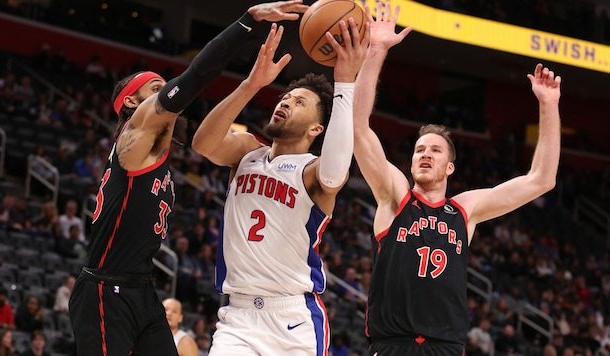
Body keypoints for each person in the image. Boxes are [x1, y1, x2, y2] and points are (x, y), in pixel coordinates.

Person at [67, 2, 310, 355]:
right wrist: (247, 21)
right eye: (155, 89)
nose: (165, 92)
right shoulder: (135, 135)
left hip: (141, 289)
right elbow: (196, 75)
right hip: (106, 290)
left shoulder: (158, 154)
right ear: (132, 103)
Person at [352, 3, 561, 355]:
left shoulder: (465, 210)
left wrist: (549, 105)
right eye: (419, 149)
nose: (425, 154)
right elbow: (358, 130)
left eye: (434, 150)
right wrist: (375, 52)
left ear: (450, 167)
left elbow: (541, 179)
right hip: (392, 345)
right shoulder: (395, 195)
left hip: (447, 348)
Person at [191, 12, 369, 355]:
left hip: (292, 320)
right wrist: (251, 85)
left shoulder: (314, 171)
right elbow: (202, 144)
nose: (286, 101)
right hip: (237, 318)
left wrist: (345, 81)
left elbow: (334, 174)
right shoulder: (246, 152)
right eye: (285, 97)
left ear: (317, 129)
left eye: (300, 102)